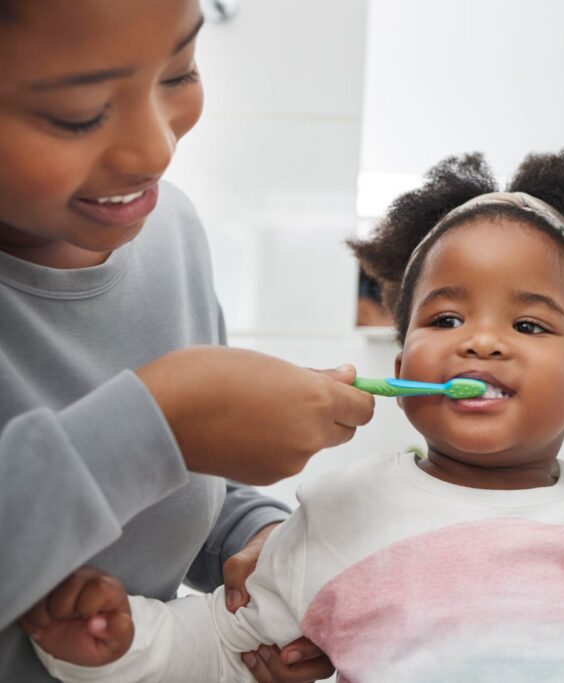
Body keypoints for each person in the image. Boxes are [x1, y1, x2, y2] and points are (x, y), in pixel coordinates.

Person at [30, 150, 564, 682]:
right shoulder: (341, 514)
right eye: (446, 318)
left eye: (526, 322)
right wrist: (111, 644)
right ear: (403, 364)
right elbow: (221, 645)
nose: (481, 341)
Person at [0, 1, 374, 681]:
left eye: (179, 72)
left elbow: (188, 486)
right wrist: (159, 423)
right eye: (80, 112)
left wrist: (256, 538)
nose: (157, 151)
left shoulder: (169, 229)